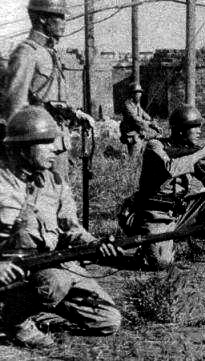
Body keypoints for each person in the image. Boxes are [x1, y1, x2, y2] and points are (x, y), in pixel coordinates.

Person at [0, 106, 121, 348]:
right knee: (55, 282)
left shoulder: (55, 183)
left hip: (51, 263)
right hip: (13, 272)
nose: (55, 148)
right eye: (45, 142)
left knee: (107, 320)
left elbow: (71, 229)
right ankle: (14, 321)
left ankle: (33, 309)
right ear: (22, 148)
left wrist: (96, 244)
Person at [123, 104, 205, 269]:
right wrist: (199, 154)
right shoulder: (155, 146)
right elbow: (170, 169)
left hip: (181, 211)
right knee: (160, 263)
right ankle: (148, 248)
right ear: (180, 130)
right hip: (156, 214)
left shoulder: (190, 150)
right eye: (194, 127)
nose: (199, 132)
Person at [0, 0, 95, 180]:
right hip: (38, 149)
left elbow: (52, 101)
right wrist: (25, 157)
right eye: (59, 17)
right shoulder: (27, 53)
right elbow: (14, 109)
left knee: (60, 193)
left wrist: (75, 114)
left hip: (58, 142)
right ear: (42, 18)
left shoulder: (49, 52)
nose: (64, 22)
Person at [119, 82, 161, 157]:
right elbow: (136, 119)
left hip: (139, 131)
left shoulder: (137, 104)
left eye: (140, 93)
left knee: (157, 134)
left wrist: (153, 123)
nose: (140, 95)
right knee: (134, 158)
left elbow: (144, 114)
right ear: (132, 94)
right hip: (131, 133)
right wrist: (149, 123)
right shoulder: (127, 105)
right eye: (137, 93)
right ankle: (126, 155)